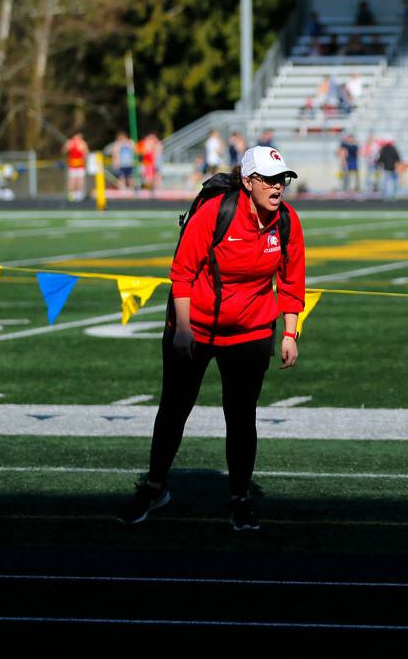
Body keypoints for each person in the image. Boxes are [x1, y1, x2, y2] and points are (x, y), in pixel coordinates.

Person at [119, 145, 306, 531]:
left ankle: (239, 498)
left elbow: (291, 282)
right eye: (270, 180)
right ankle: (154, 487)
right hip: (196, 326)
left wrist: (290, 332)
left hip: (252, 330)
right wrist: (184, 330)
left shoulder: (287, 221)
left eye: (282, 179)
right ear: (248, 181)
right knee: (175, 408)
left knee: (241, 417)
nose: (278, 187)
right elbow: (182, 272)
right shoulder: (215, 213)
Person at [64, 132, 89, 201]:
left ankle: (79, 195)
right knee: (72, 180)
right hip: (72, 165)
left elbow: (86, 154)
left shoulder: (83, 144)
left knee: (80, 180)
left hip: (80, 165)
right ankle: (70, 195)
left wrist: (83, 150)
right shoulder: (70, 142)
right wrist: (67, 146)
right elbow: (64, 151)